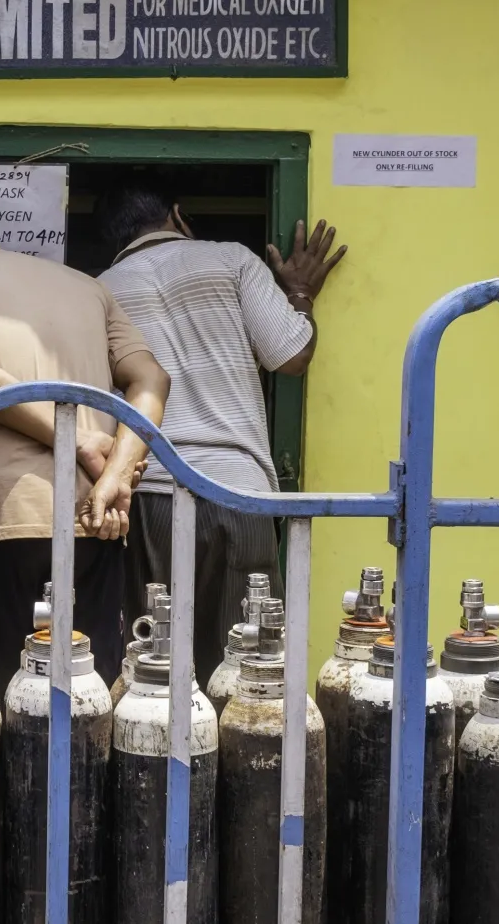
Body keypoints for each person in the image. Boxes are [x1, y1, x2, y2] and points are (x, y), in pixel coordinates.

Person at [0, 213, 169, 689]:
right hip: (96, 515)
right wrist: (117, 475)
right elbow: (151, 380)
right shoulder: (87, 286)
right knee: (89, 686)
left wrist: (77, 440)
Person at [97, 183, 346, 642]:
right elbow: (291, 357)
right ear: (177, 214)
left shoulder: (100, 290)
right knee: (247, 659)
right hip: (238, 491)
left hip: (149, 493)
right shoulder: (232, 258)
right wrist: (302, 294)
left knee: (156, 660)